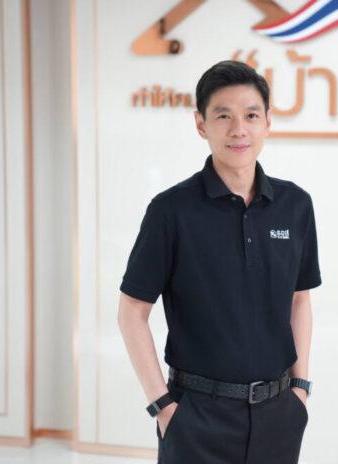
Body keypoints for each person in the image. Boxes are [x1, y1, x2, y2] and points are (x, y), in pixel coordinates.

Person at [117, 59, 322, 464]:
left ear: (268, 122)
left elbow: (300, 299)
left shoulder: (295, 205)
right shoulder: (171, 211)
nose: (238, 129)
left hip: (279, 414)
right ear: (201, 124)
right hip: (196, 418)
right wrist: (164, 408)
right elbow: (132, 311)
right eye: (223, 116)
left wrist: (299, 389)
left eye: (251, 115)